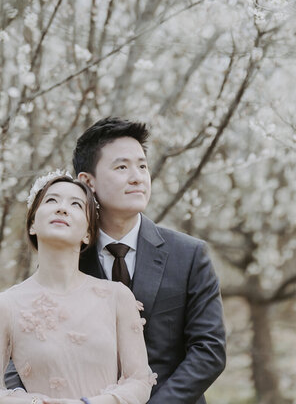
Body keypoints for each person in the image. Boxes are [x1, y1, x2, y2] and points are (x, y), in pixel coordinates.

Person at [0, 173, 156, 404]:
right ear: (33, 224)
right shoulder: (4, 306)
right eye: (51, 201)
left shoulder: (117, 297)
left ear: (88, 233)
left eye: (75, 204)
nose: (62, 209)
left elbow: (139, 380)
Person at [75, 117, 226, 404]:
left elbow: (209, 351)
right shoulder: (71, 257)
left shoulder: (190, 254)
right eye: (122, 167)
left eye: (142, 166)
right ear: (88, 181)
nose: (137, 177)